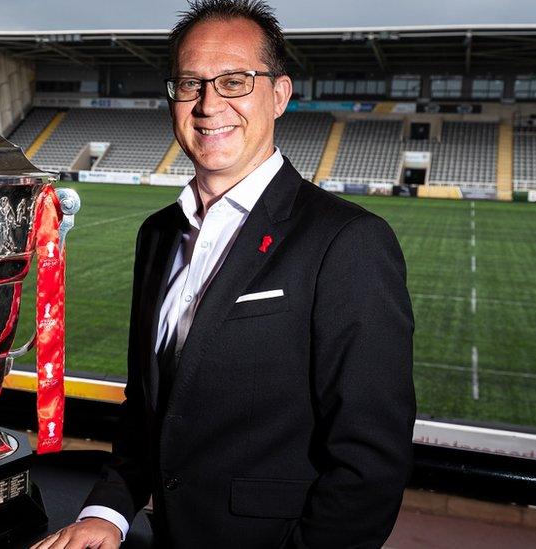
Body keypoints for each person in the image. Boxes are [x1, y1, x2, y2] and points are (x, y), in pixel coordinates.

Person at [32, 1, 415, 547]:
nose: (209, 105)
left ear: (279, 95)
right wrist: (108, 513)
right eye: (191, 84)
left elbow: (370, 461)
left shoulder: (347, 240)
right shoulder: (159, 234)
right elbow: (149, 407)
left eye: (234, 82)